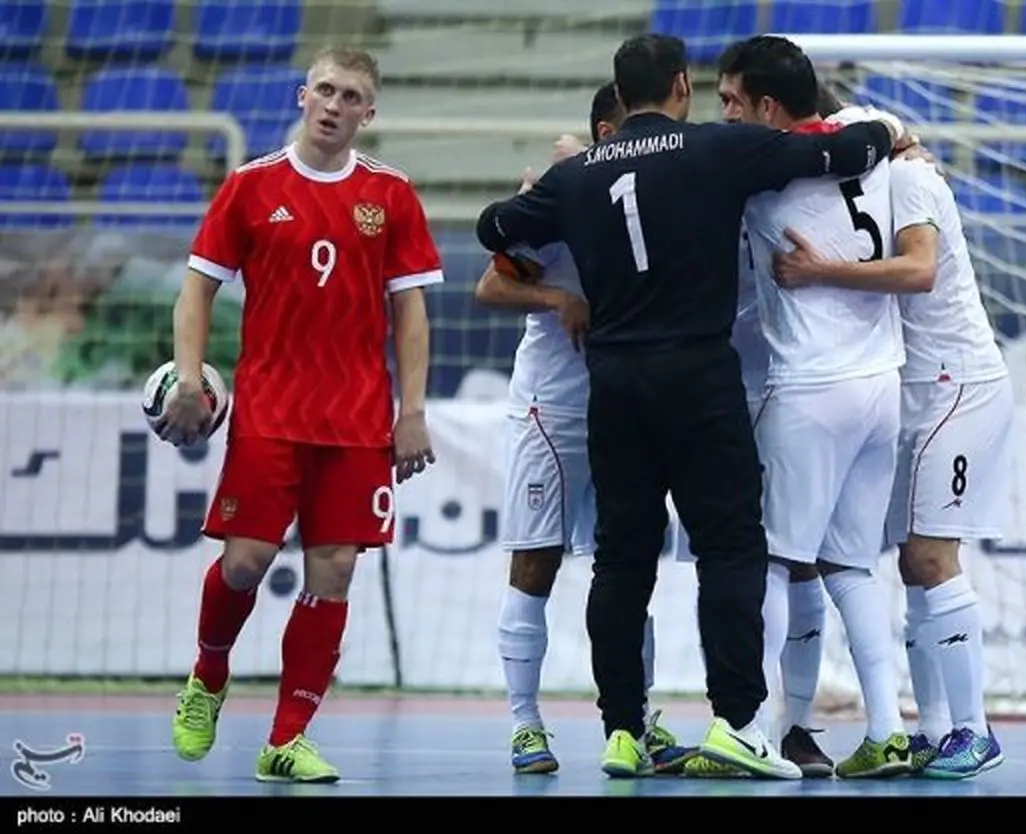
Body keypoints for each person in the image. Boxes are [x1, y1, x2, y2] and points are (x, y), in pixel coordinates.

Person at [475, 32, 899, 780]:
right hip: (698, 377)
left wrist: (545, 200)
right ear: (680, 85)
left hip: (614, 381)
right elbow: (834, 152)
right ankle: (738, 723)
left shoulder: (575, 178)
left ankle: (621, 732)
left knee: (622, 558)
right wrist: (891, 132)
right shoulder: (714, 149)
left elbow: (496, 227)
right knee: (732, 548)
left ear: (620, 91)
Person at [158, 46, 442, 784]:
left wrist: (412, 410)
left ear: (368, 112)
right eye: (324, 90)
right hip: (271, 410)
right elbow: (197, 291)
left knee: (336, 572)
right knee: (247, 561)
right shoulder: (251, 186)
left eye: (351, 96)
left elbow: (410, 312)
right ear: (299, 96)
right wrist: (189, 378)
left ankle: (288, 737)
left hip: (356, 419)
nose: (334, 105)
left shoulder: (392, 194)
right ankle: (208, 674)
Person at [474, 81, 695, 777]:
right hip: (556, 407)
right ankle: (525, 725)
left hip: (629, 406)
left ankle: (637, 720)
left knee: (629, 572)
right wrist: (555, 296)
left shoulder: (660, 196)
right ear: (607, 131)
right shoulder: (557, 196)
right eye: (634, 129)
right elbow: (489, 286)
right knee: (535, 563)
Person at [772, 154, 1011, 782]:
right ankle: (932, 731)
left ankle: (975, 729)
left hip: (958, 384)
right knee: (910, 562)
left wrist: (819, 270)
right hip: (914, 392)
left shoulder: (905, 176)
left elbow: (921, 268)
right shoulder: (871, 179)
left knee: (932, 558)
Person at [722, 35, 913, 779]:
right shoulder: (873, 135)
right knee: (852, 568)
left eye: (734, 101)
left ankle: (759, 733)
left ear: (769, 106)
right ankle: (889, 730)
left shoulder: (757, 168)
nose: (728, 116)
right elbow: (892, 131)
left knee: (773, 560)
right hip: (881, 384)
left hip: (810, 384)